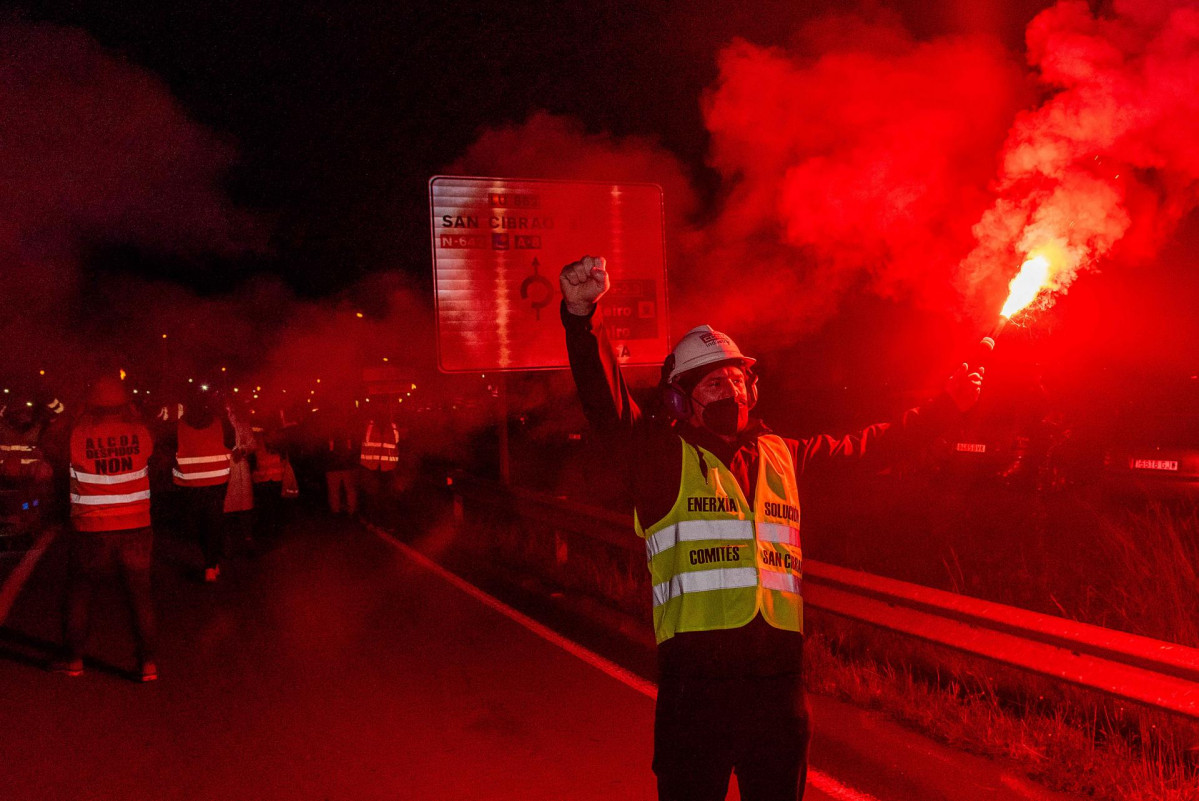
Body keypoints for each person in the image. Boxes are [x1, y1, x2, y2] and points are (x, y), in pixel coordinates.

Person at [558, 255, 983, 801]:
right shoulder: (659, 459)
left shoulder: (786, 458)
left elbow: (875, 448)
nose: (730, 392)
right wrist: (580, 314)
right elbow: (605, 402)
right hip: (695, 692)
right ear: (679, 398)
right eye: (713, 384)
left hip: (777, 693)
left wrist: (946, 409)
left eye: (737, 380)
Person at [51, 375, 157, 682]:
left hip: (91, 527)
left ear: (91, 404)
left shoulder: (77, 434)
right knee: (140, 596)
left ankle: (73, 660)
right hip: (136, 525)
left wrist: (73, 413)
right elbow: (153, 446)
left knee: (80, 593)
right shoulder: (140, 432)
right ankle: (148, 664)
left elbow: (49, 446)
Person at [172, 388, 234, 582]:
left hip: (189, 483)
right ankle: (211, 564)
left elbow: (168, 448)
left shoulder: (178, 426)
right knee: (214, 521)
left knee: (199, 523)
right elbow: (231, 442)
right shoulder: (219, 422)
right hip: (217, 481)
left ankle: (210, 562)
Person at [358, 405, 401, 520]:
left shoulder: (371, 426)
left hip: (381, 467)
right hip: (375, 467)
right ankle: (377, 518)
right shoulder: (371, 426)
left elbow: (397, 444)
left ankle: (381, 518)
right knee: (376, 495)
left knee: (381, 495)